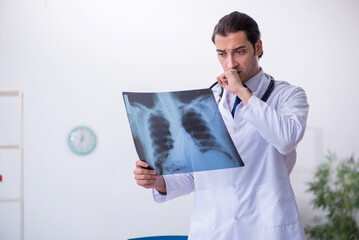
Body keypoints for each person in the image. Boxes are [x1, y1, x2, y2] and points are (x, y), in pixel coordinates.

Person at [133, 11, 309, 240]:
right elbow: (194, 174)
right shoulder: (201, 103)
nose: (230, 63)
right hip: (215, 229)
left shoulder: (288, 95)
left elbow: (286, 140)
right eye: (222, 53)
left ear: (258, 47)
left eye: (239, 52)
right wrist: (159, 181)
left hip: (268, 228)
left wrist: (243, 93)